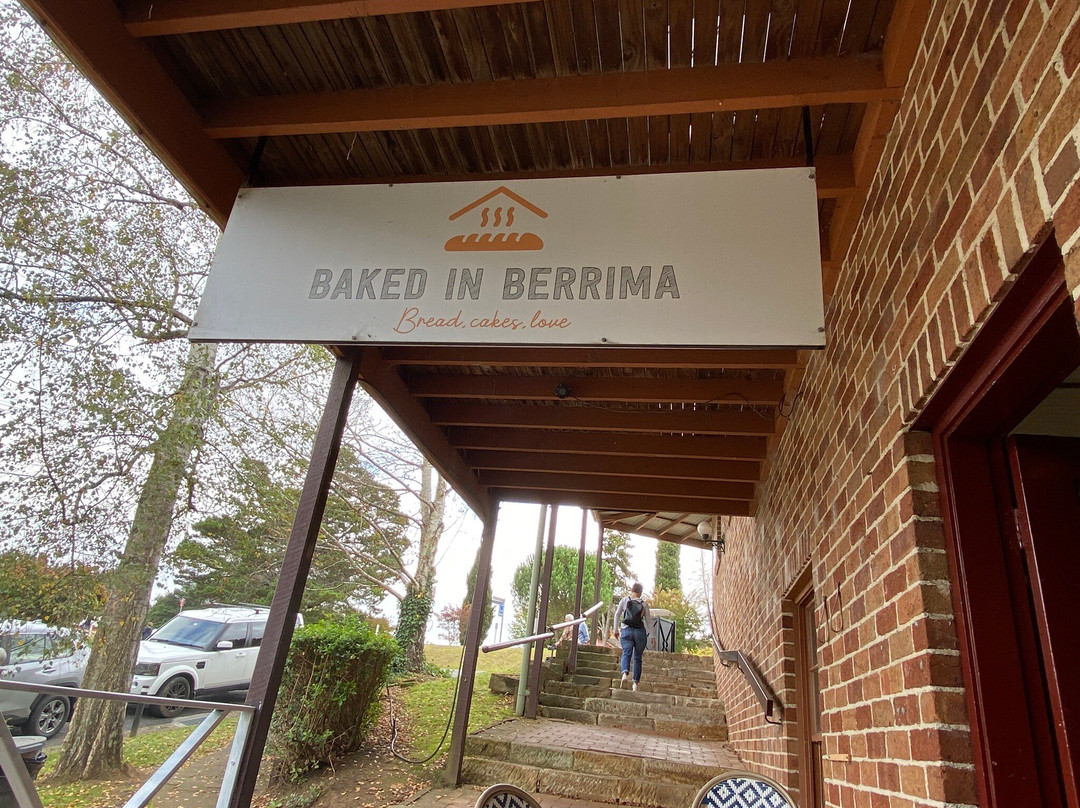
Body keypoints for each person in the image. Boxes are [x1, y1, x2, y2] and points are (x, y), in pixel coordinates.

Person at [615, 582, 649, 691]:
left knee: (626, 653)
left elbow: (617, 614)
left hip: (626, 630)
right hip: (639, 632)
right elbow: (649, 621)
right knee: (637, 657)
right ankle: (635, 684)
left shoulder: (625, 600)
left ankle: (625, 675)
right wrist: (653, 636)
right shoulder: (644, 604)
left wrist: (615, 630)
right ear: (641, 592)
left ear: (632, 590)